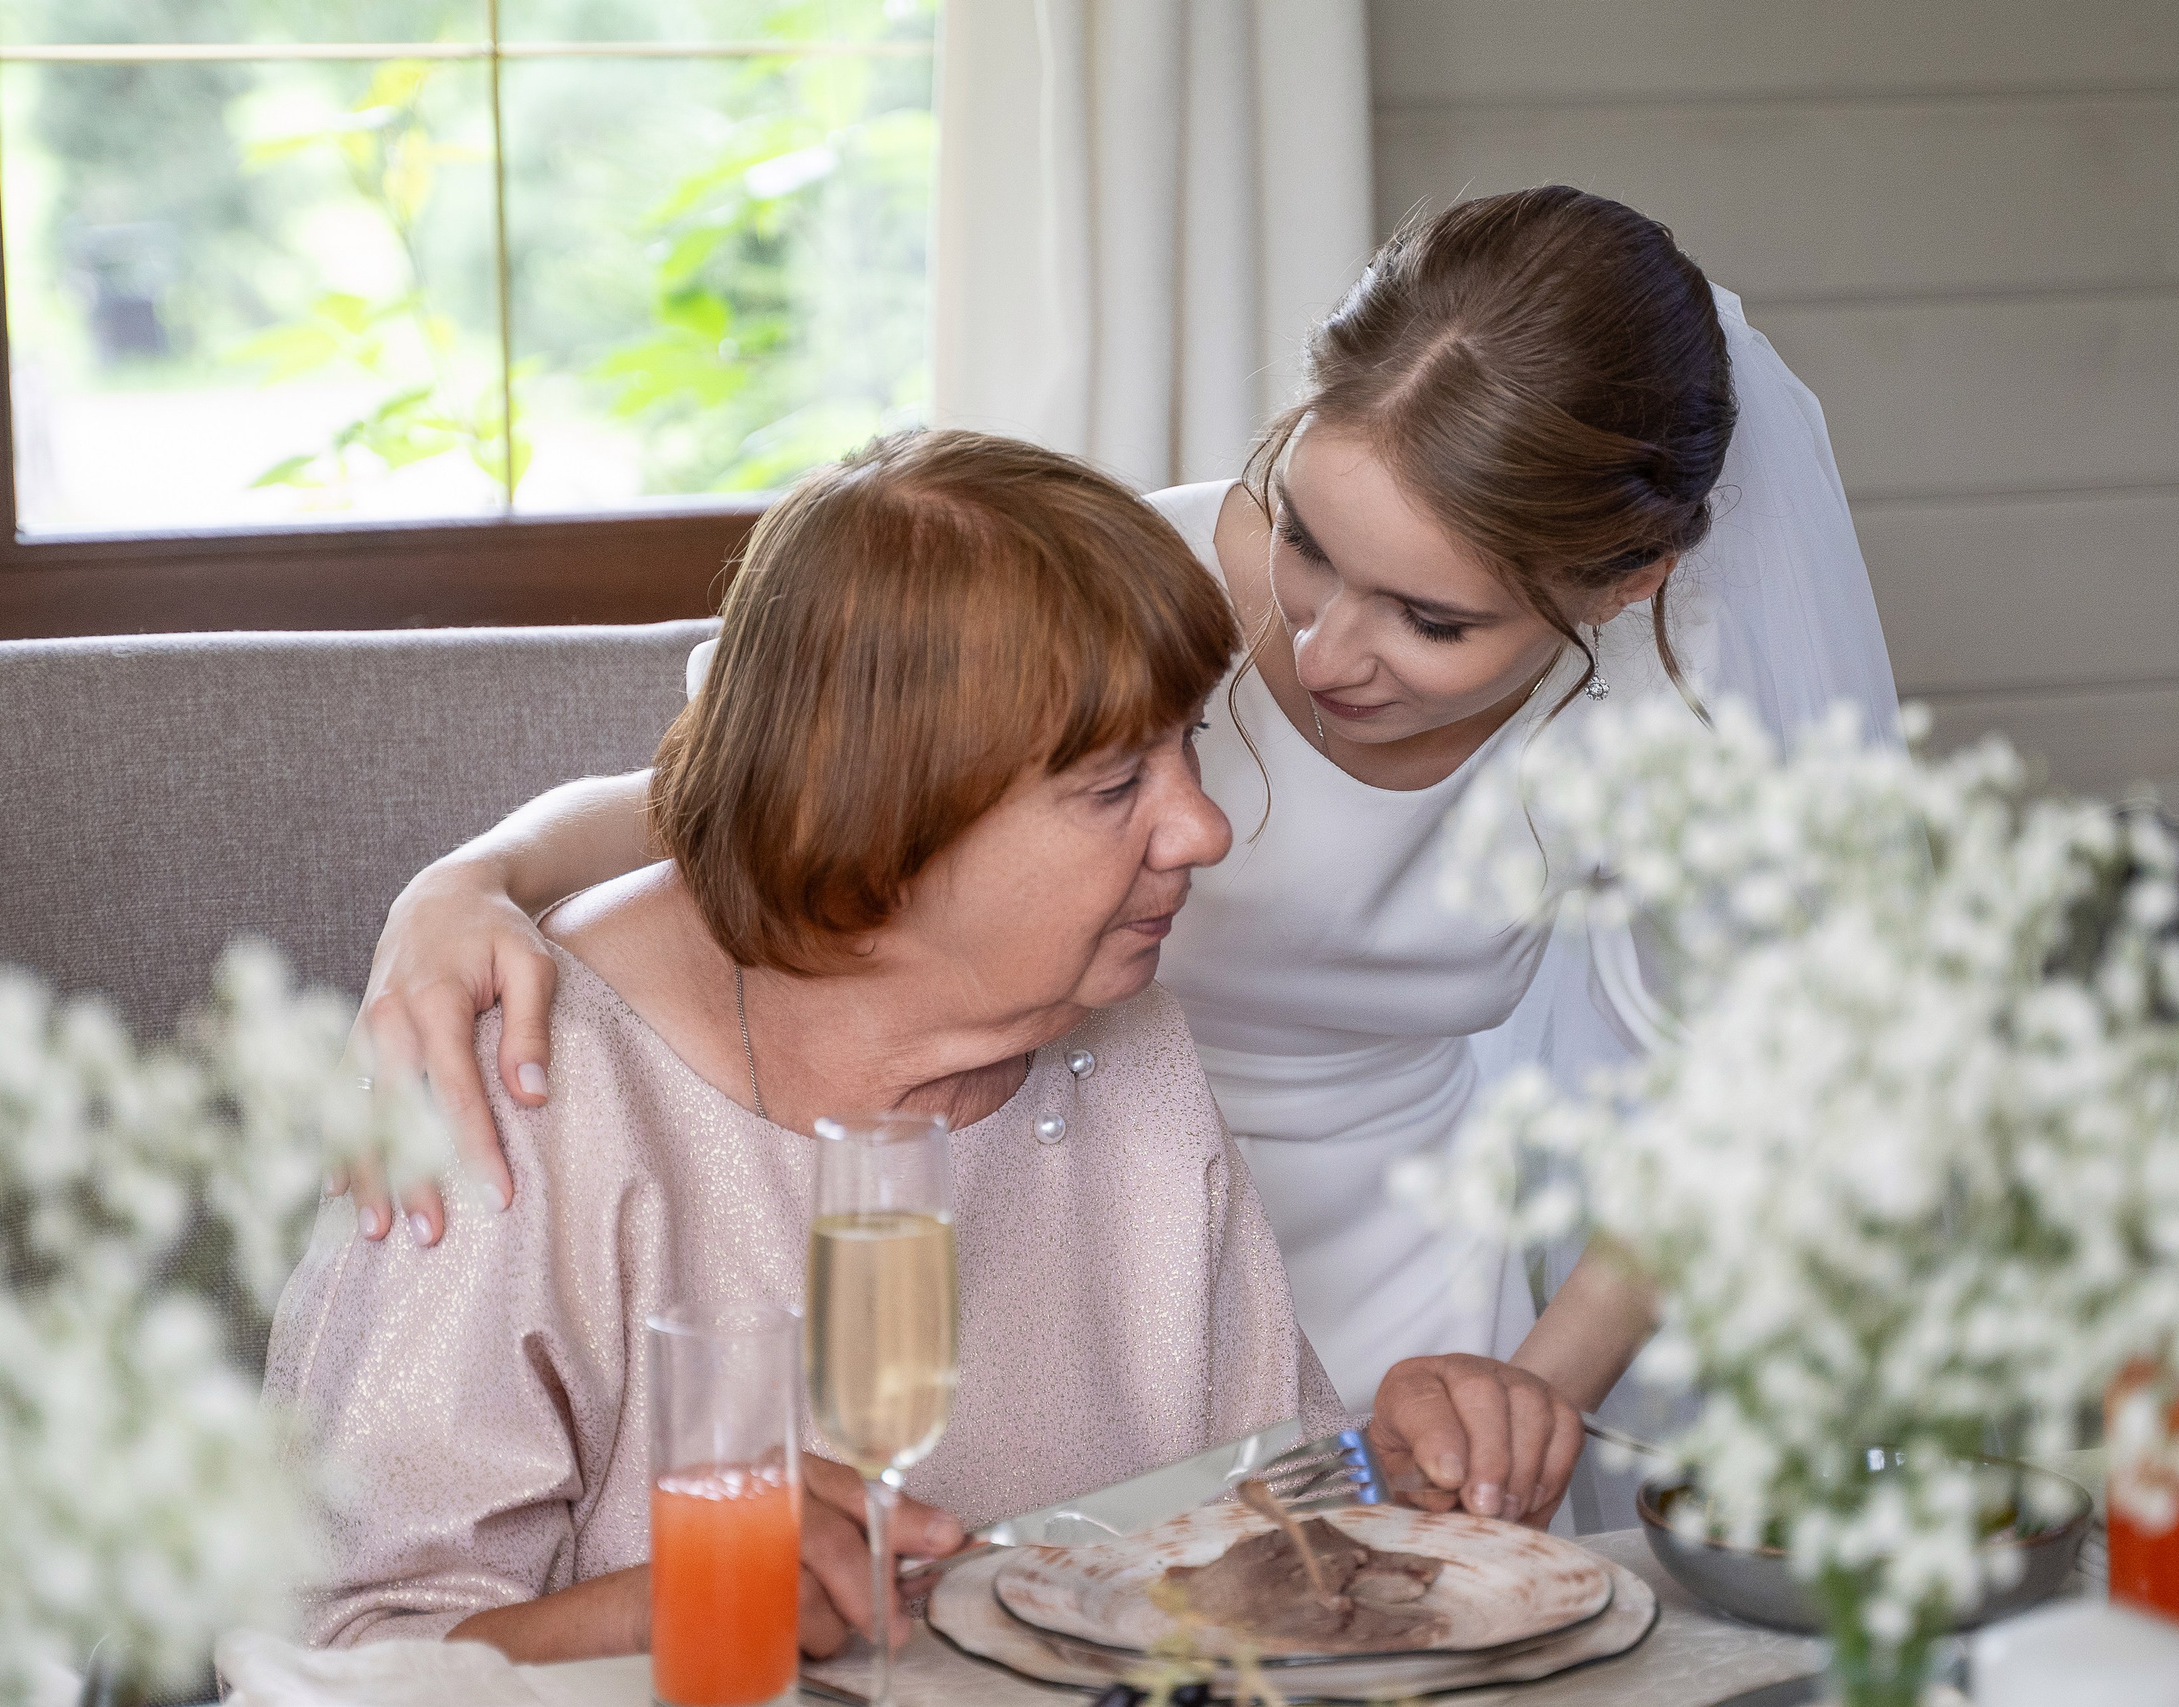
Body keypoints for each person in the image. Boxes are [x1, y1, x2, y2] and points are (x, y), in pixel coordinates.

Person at [339, 187, 1901, 1534]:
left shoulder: (1679, 735)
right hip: (1041, 1170)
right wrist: (473, 875)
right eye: (1303, 538)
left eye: (1431, 620)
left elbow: (1754, 1087)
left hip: (1388, 1247)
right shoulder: (1135, 597)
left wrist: (1530, 1386)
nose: (1324, 645)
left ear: (1627, 585)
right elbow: (783, 778)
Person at [268, 430, 1341, 1659]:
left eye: (1189, 740)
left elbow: (1273, 1512)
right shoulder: (518, 1086)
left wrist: (1405, 1462)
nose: (1202, 830)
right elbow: (340, 1663)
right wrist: (668, 1608)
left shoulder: (1123, 1033)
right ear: (881, 817)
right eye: (1111, 788)